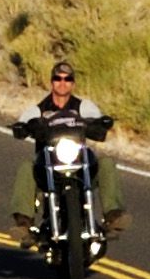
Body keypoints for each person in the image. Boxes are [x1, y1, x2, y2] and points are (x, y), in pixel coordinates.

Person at [11, 57, 117, 248]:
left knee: (105, 163)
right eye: (58, 78)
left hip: (78, 162)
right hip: (48, 164)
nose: (62, 82)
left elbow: (97, 122)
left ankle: (114, 215)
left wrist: (101, 123)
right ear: (51, 82)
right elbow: (23, 124)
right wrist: (23, 127)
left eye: (67, 79)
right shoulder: (37, 110)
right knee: (27, 167)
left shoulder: (84, 107)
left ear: (73, 83)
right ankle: (24, 224)